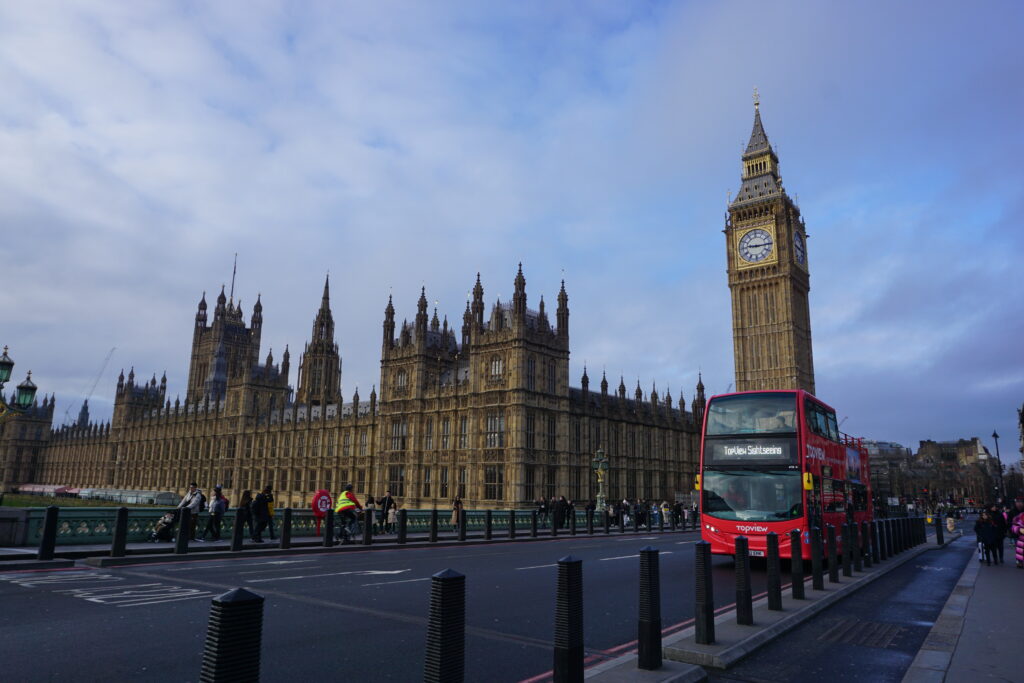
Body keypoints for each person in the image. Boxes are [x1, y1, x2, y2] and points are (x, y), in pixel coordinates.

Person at [1010, 502, 1024, 569]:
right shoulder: (1020, 516)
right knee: (1020, 550)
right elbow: (1013, 526)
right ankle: (1019, 562)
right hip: (1021, 538)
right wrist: (1019, 530)